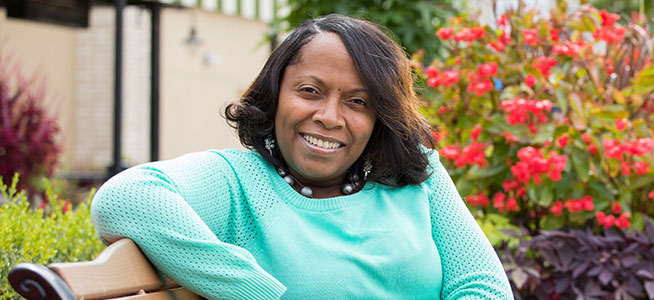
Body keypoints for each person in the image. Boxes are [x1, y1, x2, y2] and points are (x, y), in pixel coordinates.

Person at [90, 14, 513, 299]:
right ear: (276, 95)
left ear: (379, 116)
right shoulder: (237, 184)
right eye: (309, 91)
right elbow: (126, 198)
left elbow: (484, 286)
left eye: (358, 101)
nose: (329, 117)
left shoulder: (417, 177)